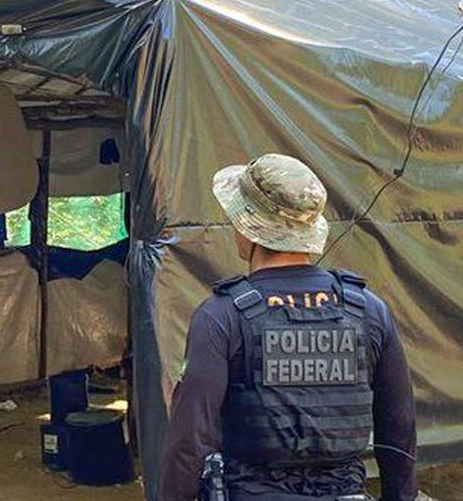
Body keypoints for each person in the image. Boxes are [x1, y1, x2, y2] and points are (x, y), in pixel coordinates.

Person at [160, 154, 417, 500]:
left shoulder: (221, 317)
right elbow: (398, 428)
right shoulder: (368, 311)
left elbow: (189, 440)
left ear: (247, 226)